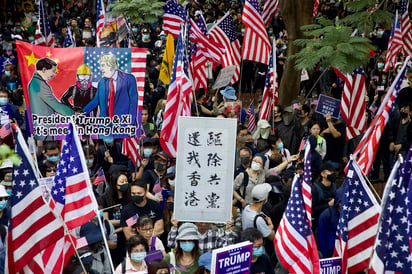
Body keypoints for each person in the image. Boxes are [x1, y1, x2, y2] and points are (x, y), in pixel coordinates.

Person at [83, 53, 138, 129]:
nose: (101, 69)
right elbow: (96, 101)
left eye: (103, 65)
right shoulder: (102, 82)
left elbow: (133, 102)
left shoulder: (129, 79)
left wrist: (130, 123)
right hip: (104, 126)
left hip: (124, 124)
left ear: (111, 65)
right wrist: (82, 113)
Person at [233, 153, 299, 205]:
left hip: (260, 206)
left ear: (262, 166)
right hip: (247, 206)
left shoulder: (263, 173)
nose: (256, 163)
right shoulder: (243, 175)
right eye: (254, 160)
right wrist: (241, 200)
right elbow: (232, 189)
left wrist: (288, 160)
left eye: (259, 162)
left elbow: (276, 170)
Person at [312, 163, 338, 230]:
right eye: (330, 171)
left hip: (332, 221)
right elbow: (312, 210)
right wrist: (328, 204)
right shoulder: (315, 189)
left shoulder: (334, 187)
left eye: (334, 171)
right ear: (322, 174)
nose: (332, 173)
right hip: (319, 223)